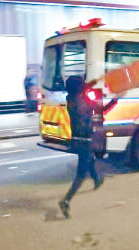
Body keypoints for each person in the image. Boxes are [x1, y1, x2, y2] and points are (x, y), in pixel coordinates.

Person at [58, 76, 117, 219]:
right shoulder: (83, 102)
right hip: (85, 140)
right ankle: (66, 200)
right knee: (81, 175)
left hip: (77, 140)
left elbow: (84, 87)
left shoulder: (70, 99)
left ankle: (97, 180)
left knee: (90, 158)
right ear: (79, 88)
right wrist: (115, 100)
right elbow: (101, 109)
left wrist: (95, 81)